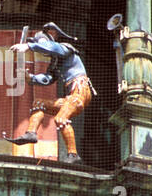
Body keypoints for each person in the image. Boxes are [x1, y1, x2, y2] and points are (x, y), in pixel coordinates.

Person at [6, 22, 94, 165]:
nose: (43, 50)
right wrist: (31, 78)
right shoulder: (56, 61)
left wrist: (29, 46)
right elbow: (48, 78)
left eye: (42, 44)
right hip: (71, 95)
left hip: (80, 90)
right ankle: (31, 133)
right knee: (38, 103)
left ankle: (73, 154)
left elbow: (53, 47)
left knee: (60, 118)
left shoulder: (65, 48)